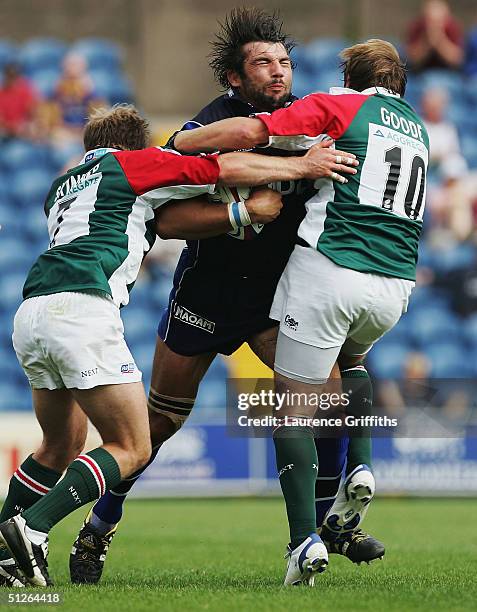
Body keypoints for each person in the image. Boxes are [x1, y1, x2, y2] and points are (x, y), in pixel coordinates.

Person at [68, 8, 382, 587]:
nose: (278, 71)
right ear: (235, 78)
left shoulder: (309, 120)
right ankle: (98, 528)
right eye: (263, 62)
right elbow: (167, 217)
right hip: (205, 296)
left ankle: (323, 528)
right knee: (158, 425)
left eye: (285, 61)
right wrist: (238, 213)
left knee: (331, 403)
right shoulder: (212, 123)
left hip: (274, 298)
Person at [0, 103, 339, 588]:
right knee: (133, 446)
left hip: (31, 311)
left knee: (59, 445)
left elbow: (151, 219)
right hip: (82, 307)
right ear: (135, 145)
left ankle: (0, 549)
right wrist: (300, 169)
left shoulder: (60, 186)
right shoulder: (133, 163)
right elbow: (220, 167)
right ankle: (30, 529)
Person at [173, 38, 429, 585]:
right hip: (395, 287)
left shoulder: (341, 105)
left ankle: (302, 541)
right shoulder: (418, 127)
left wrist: (182, 139)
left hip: (333, 272)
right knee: (351, 365)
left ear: (351, 80)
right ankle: (359, 468)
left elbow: (249, 132)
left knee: (293, 409)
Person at [406, 0, 463, 72]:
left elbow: (457, 60)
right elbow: (410, 59)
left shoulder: (453, 27)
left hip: (448, 74)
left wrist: (440, 42)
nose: (434, 25)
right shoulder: (417, 27)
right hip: (419, 74)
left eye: (438, 21)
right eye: (430, 21)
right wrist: (426, 44)